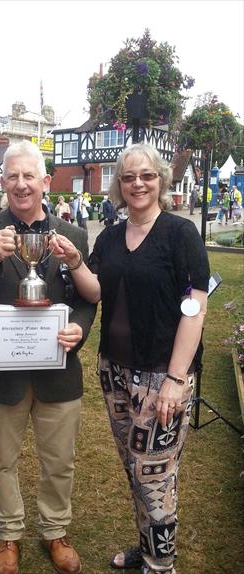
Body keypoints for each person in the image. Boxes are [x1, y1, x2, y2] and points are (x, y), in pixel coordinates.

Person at [49, 143, 210, 574]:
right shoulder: (111, 236)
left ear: (160, 180)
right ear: (119, 186)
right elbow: (96, 289)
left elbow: (194, 309)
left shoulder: (181, 235)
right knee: (135, 469)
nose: (138, 183)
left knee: (155, 477)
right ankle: (150, 546)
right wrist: (77, 261)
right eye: (128, 177)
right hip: (115, 371)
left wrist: (176, 380)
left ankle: (161, 565)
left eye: (147, 175)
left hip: (162, 376)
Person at [0, 140, 96, 574]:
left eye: (29, 176)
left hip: (57, 367)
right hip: (2, 371)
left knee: (60, 460)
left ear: (45, 182)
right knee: (1, 459)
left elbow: (87, 298)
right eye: (12, 176)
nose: (21, 184)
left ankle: (55, 530)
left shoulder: (71, 235)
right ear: (3, 181)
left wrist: (80, 329)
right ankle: (8, 534)